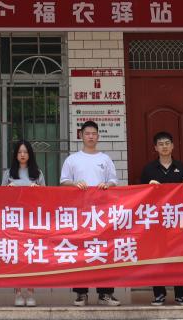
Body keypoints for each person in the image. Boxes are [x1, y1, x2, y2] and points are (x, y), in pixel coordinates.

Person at [60, 120, 121, 307]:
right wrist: (74, 184)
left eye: (94, 133)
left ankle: (105, 294)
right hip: (80, 213)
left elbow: (113, 181)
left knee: (104, 251)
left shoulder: (105, 159)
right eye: (87, 133)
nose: (91, 136)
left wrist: (107, 185)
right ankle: (81, 293)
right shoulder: (72, 159)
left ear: (98, 136)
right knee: (81, 252)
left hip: (102, 214)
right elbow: (63, 181)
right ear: (81, 135)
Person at [138, 131, 183, 307]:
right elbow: (140, 195)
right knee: (157, 257)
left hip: (177, 219)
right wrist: (148, 187)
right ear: (155, 148)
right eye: (160, 144)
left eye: (167, 143)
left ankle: (181, 295)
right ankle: (159, 294)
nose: (164, 146)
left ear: (173, 146)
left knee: (180, 256)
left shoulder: (181, 167)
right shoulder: (149, 169)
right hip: (156, 220)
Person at [3, 140, 42, 307]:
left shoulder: (37, 173)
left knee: (31, 256)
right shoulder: (8, 173)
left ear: (30, 154)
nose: (23, 155)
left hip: (32, 220)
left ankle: (31, 292)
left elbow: (47, 196)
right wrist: (8, 190)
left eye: (25, 152)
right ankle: (18, 292)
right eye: (19, 152)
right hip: (14, 220)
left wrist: (38, 190)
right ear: (15, 155)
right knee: (17, 256)